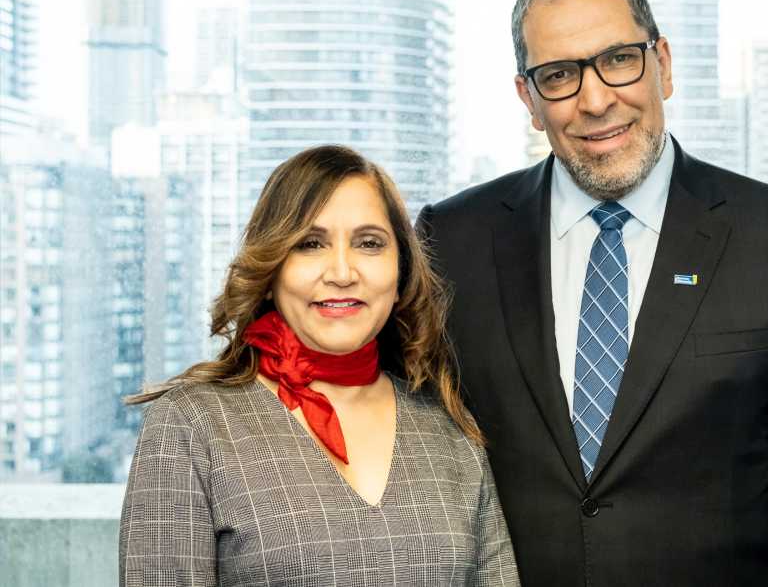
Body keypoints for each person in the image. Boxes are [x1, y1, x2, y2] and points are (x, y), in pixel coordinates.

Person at [417, 0, 768, 586]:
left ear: (662, 63)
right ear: (528, 99)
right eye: (559, 75)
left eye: (619, 59)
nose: (596, 98)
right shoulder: (452, 240)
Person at [119, 145, 519, 586]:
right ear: (271, 271)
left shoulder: (449, 428)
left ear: (401, 270)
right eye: (310, 244)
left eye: (369, 243)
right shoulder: (192, 425)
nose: (343, 271)